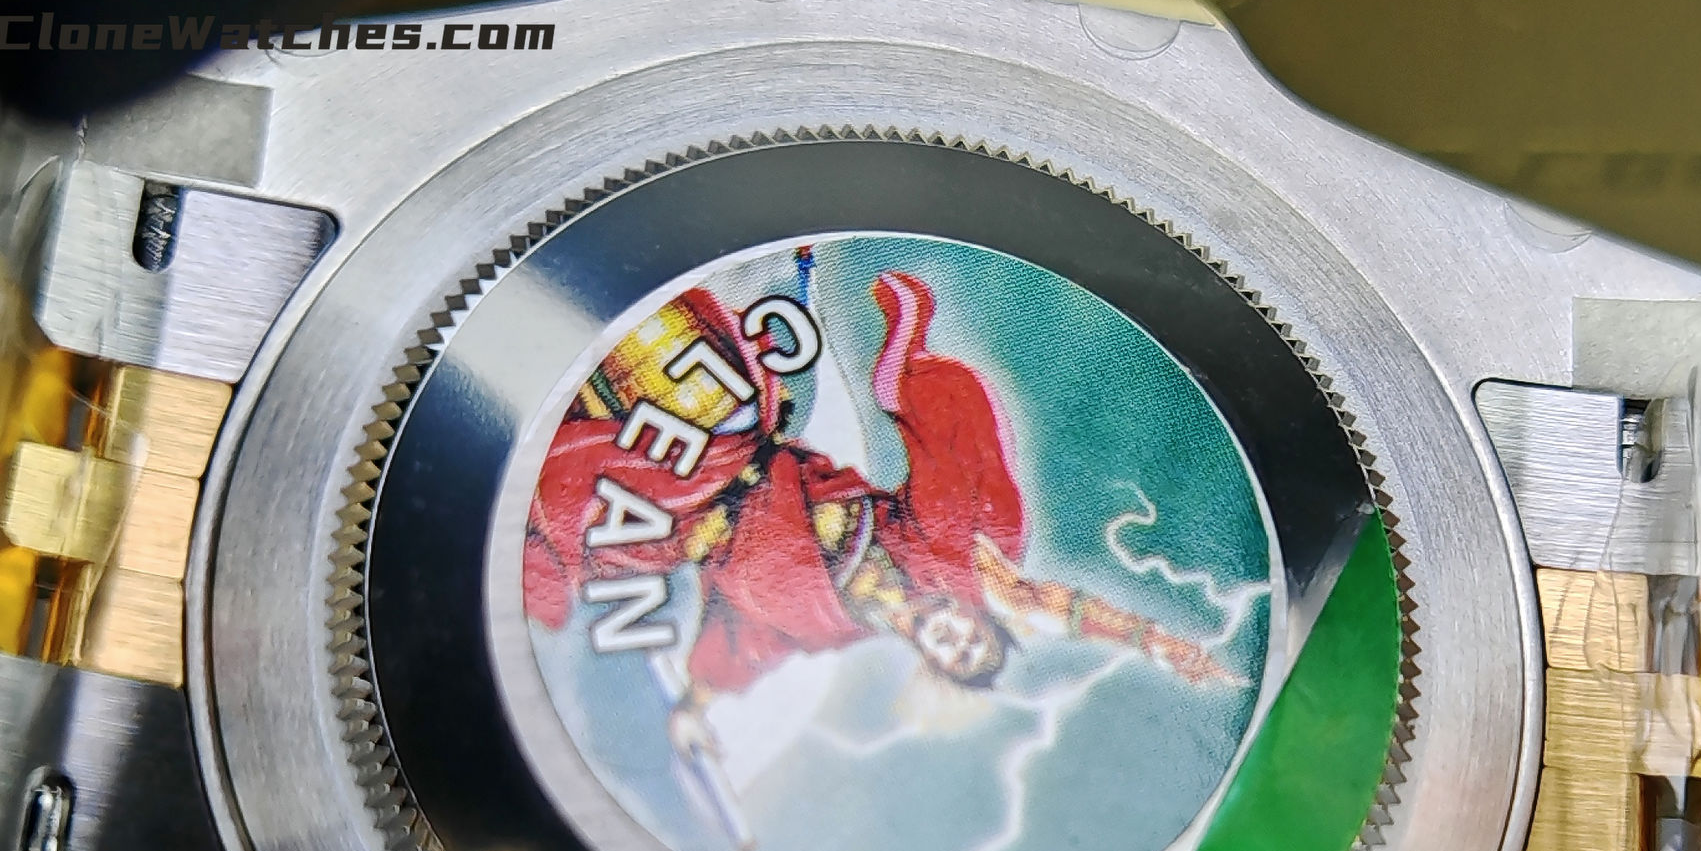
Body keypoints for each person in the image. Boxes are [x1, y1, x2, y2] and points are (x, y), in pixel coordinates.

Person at [525, 265, 1236, 774]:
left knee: (550, 553)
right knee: (674, 365)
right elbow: (1042, 597)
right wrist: (1150, 639)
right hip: (719, 441)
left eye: (959, 659)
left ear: (934, 663)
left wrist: (693, 705)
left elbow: (744, 646)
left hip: (658, 524)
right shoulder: (923, 549)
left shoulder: (828, 628)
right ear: (972, 614)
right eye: (977, 638)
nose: (959, 642)